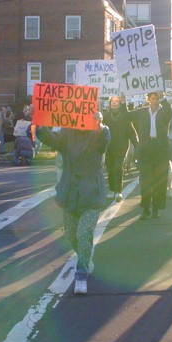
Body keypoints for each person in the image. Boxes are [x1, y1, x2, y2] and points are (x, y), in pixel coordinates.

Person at [36, 111, 111, 294]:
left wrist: (99, 126)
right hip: (70, 193)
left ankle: (81, 274)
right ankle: (85, 257)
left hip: (91, 193)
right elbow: (51, 139)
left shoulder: (97, 132)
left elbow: (104, 141)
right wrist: (40, 125)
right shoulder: (67, 133)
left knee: (84, 232)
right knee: (71, 234)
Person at [125, 91, 172, 220]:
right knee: (145, 180)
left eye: (157, 98)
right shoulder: (141, 112)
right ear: (148, 99)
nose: (155, 101)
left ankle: (156, 208)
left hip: (160, 149)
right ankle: (145, 208)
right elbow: (126, 116)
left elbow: (170, 110)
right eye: (153, 98)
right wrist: (123, 101)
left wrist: (163, 97)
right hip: (145, 149)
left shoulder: (164, 112)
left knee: (159, 180)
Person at [103, 95, 138, 202]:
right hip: (108, 146)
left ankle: (118, 191)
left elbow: (131, 131)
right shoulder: (105, 116)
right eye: (112, 101)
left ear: (119, 103)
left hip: (121, 147)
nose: (114, 103)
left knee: (118, 167)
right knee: (110, 168)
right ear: (109, 104)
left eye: (116, 101)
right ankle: (112, 189)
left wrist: (136, 144)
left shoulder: (125, 116)